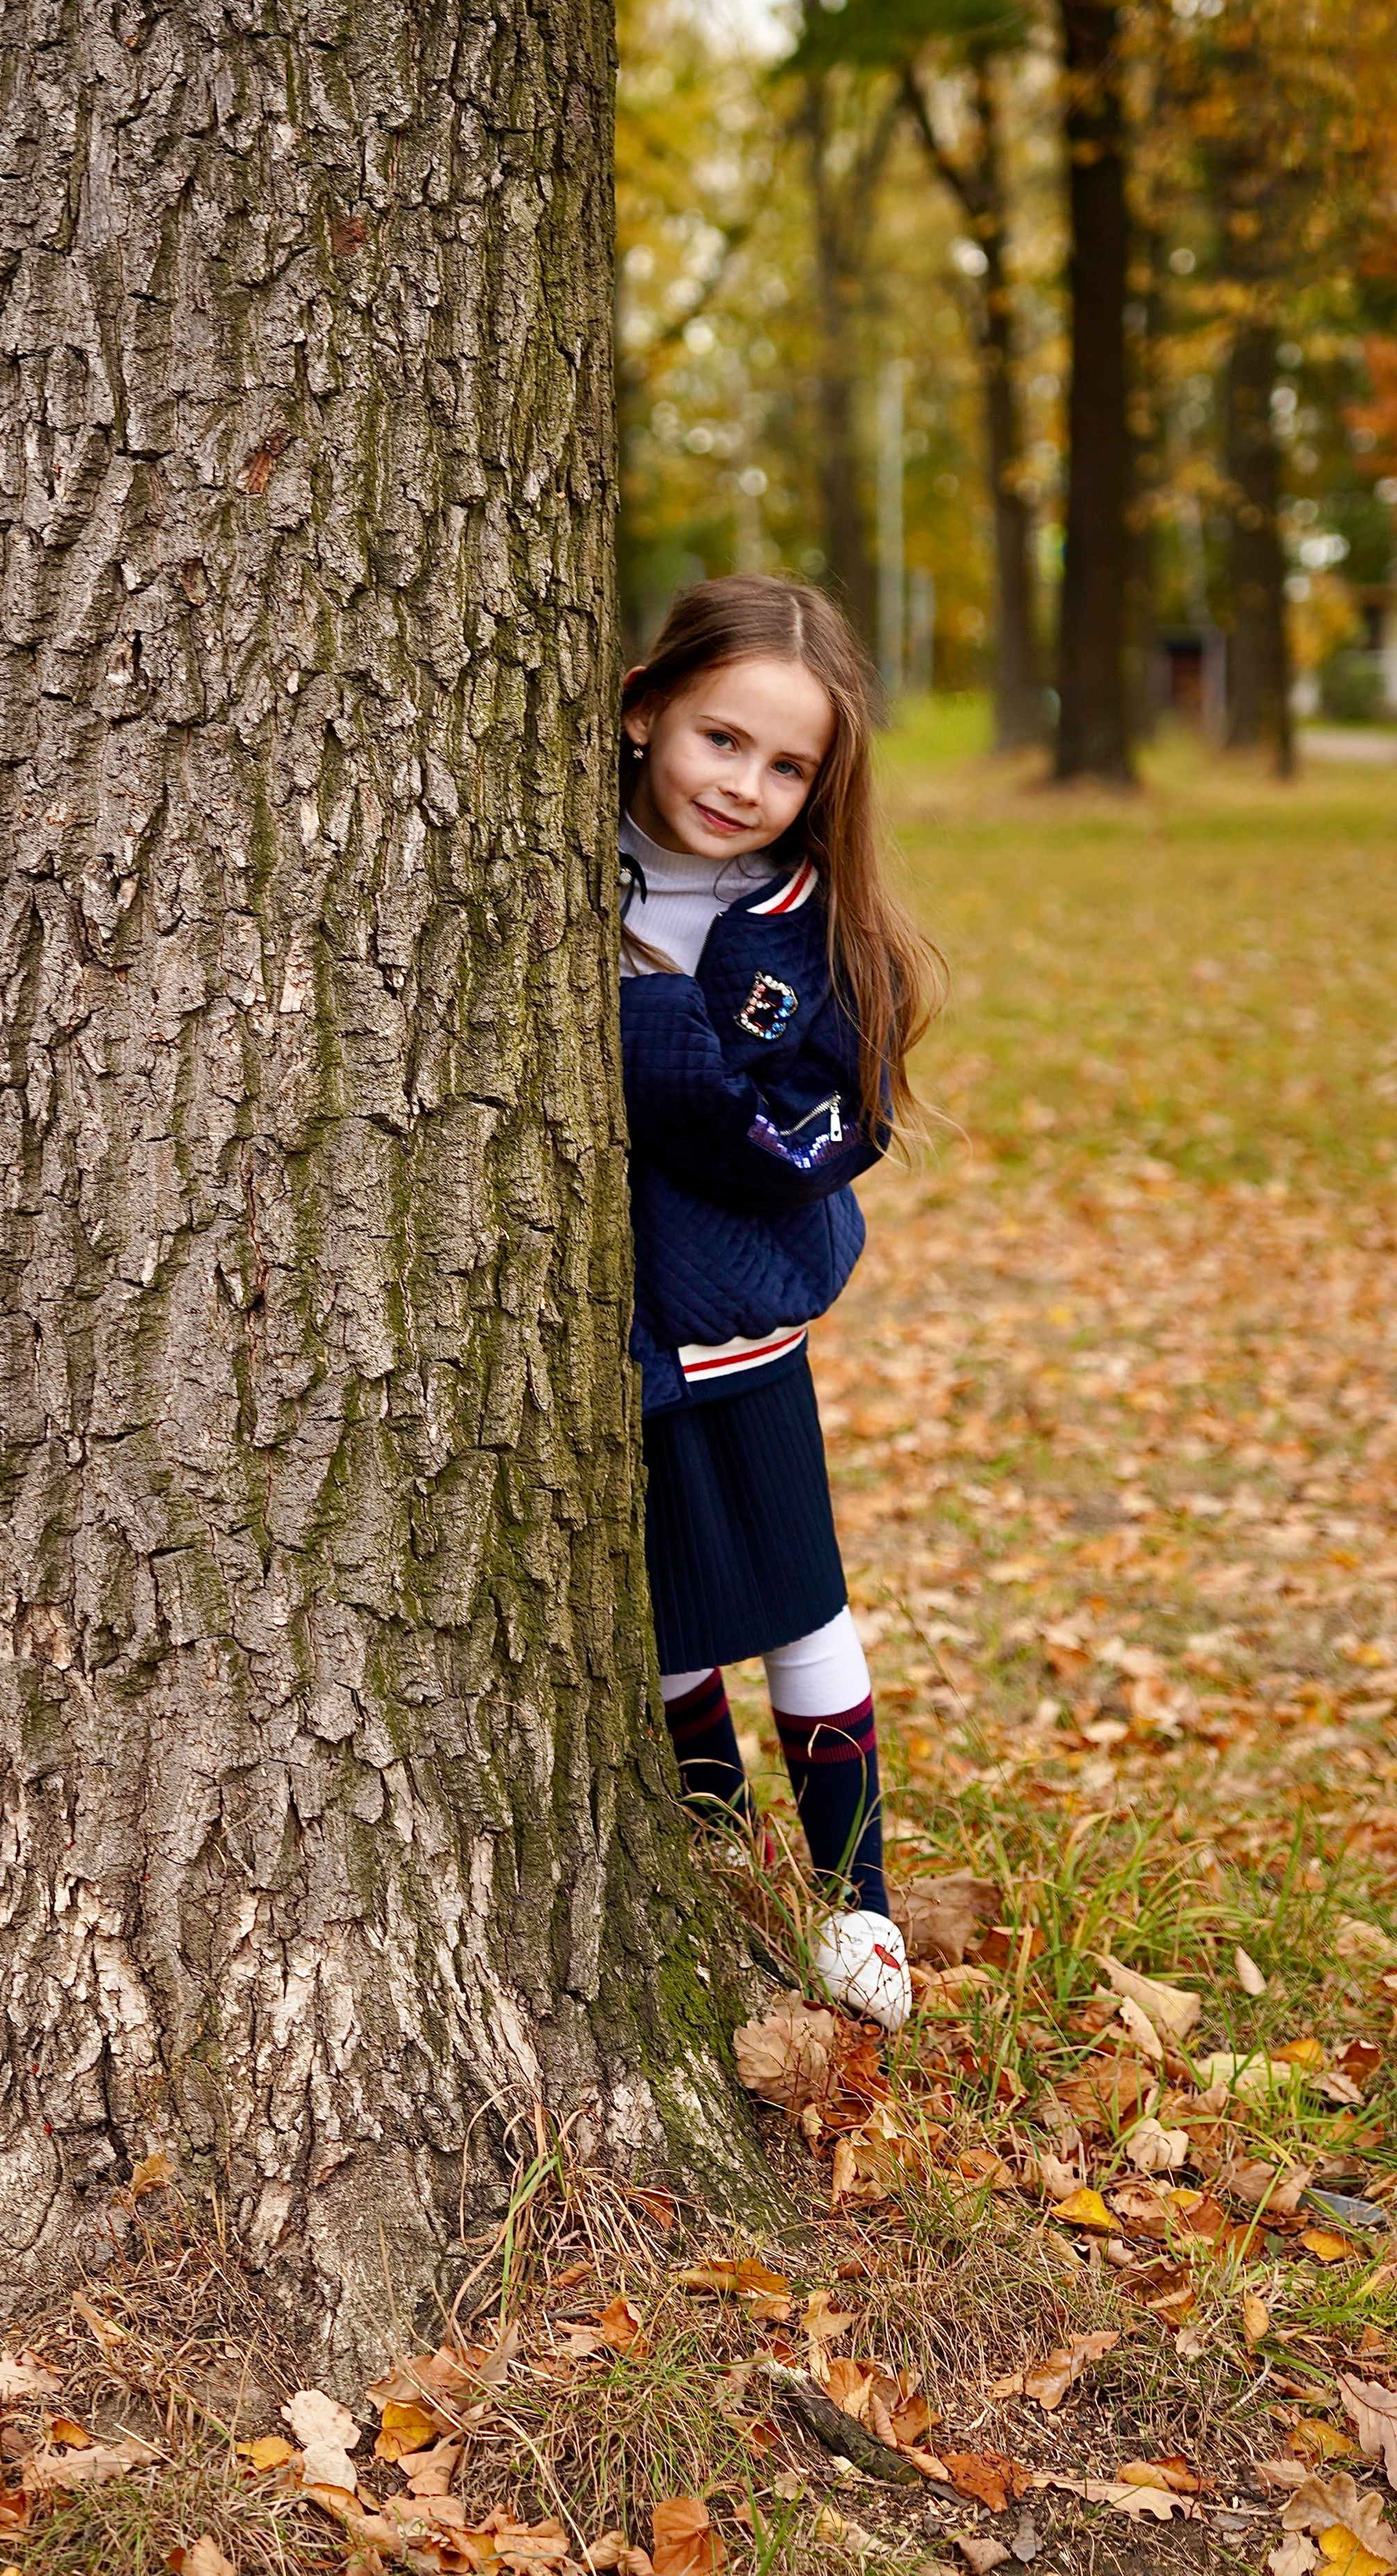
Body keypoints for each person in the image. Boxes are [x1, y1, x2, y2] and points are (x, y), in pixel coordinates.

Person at [617, 572, 941, 2031]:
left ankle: (854, 1895)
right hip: (605, 1338)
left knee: (796, 1602)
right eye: (716, 740)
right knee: (665, 1614)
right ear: (642, 715)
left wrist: (654, 1034)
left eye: (785, 762)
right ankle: (709, 1853)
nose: (742, 784)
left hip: (737, 1319)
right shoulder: (550, 867)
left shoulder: (806, 935)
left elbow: (809, 1139)